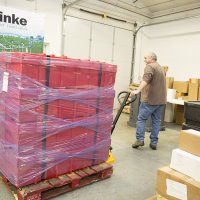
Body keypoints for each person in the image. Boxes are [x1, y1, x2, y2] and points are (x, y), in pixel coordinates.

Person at [131, 52, 166, 150]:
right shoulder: (161, 67)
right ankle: (154, 142)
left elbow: (146, 80)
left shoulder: (149, 66)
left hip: (150, 99)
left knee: (141, 119)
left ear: (151, 58)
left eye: (145, 58)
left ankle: (140, 140)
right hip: (161, 100)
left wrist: (138, 90)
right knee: (156, 121)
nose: (144, 60)